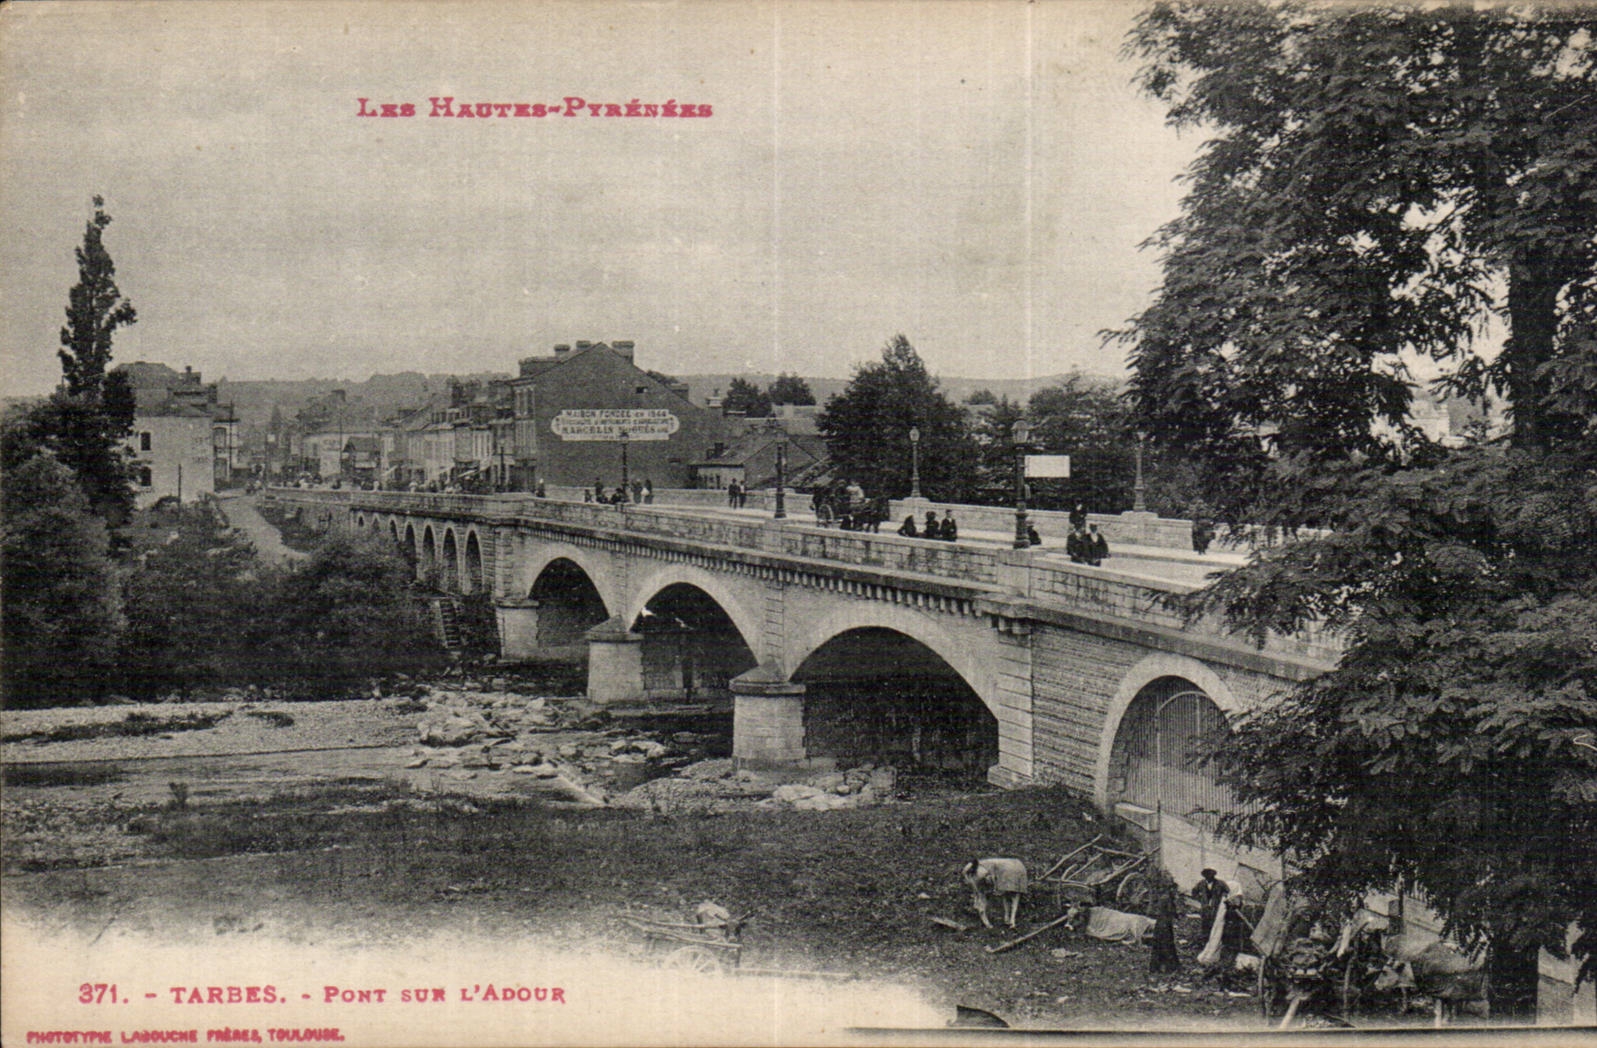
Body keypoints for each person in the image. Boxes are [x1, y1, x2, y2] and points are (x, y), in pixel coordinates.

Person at [1148, 870, 1182, 978]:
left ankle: (1157, 966)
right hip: (1165, 923)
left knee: (1159, 944)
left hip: (1161, 922)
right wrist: (1176, 914)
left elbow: (1153, 910)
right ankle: (1169, 967)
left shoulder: (1162, 896)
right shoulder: (1166, 897)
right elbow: (1171, 910)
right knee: (1166, 944)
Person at [1191, 868, 1230, 945]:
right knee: (1205, 923)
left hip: (1216, 907)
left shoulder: (1220, 883)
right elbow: (1194, 891)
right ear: (1204, 876)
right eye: (1207, 876)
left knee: (1215, 924)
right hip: (1205, 907)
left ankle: (1213, 942)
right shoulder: (1201, 883)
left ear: (1213, 876)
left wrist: (1223, 897)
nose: (1208, 878)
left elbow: (1228, 891)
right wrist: (1200, 899)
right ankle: (1204, 941)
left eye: (1210, 876)